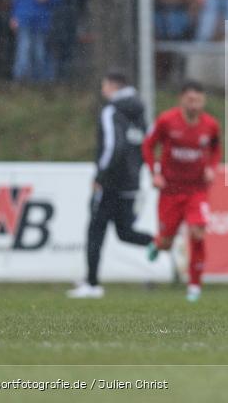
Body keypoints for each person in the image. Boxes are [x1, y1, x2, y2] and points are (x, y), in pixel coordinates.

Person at [68, 71, 153, 299]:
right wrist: (137, 170)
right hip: (131, 183)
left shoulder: (112, 111)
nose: (103, 90)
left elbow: (113, 146)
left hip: (110, 183)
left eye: (104, 85)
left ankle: (92, 284)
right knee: (125, 232)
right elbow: (147, 144)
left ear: (112, 86)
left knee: (95, 231)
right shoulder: (141, 111)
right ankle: (162, 242)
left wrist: (100, 177)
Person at [142, 80, 221, 302]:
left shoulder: (211, 125)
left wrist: (211, 169)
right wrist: (154, 173)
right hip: (170, 190)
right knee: (167, 242)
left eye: (198, 99)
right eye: (190, 99)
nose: (194, 103)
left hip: (197, 190)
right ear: (182, 100)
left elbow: (215, 149)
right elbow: (148, 145)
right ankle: (158, 243)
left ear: (203, 101)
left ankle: (194, 286)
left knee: (197, 232)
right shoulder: (167, 121)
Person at [10, 0, 62, 82]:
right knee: (24, 48)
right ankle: (21, 76)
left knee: (39, 50)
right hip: (25, 19)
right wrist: (14, 17)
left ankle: (40, 78)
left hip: (42, 21)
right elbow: (16, 1)